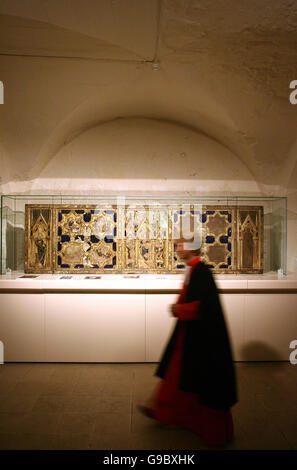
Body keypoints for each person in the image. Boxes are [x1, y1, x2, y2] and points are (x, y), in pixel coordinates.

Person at [139, 240, 238, 447]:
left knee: (200, 379)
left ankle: (212, 431)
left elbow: (204, 306)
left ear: (192, 248)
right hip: (189, 333)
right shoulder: (192, 270)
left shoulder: (202, 272)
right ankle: (164, 412)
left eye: (180, 246)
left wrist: (179, 310)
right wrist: (178, 305)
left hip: (203, 337)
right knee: (177, 373)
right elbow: (187, 296)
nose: (177, 250)